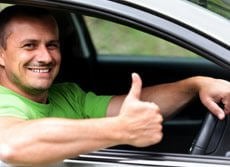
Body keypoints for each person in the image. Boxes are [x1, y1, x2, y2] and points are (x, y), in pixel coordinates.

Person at [0, 5, 230, 166]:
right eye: (29, 46)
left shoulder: (68, 95)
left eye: (52, 45)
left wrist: (196, 85)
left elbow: (132, 108)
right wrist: (121, 130)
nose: (46, 57)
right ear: (1, 55)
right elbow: (11, 145)